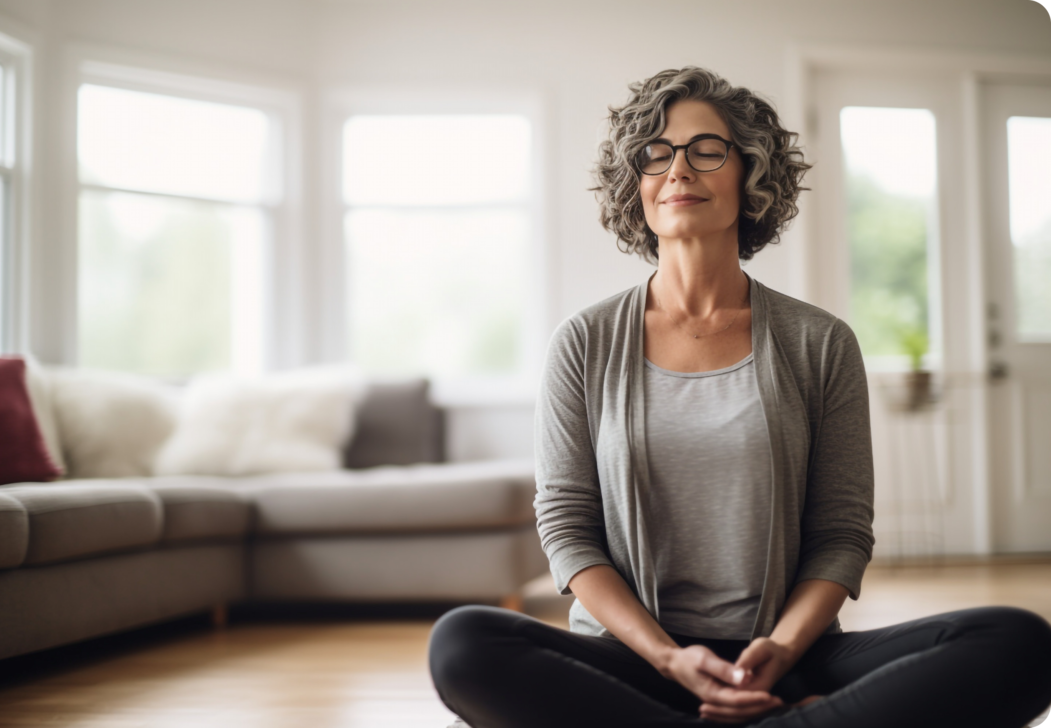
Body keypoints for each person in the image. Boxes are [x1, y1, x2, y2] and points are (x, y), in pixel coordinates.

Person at [427, 66, 1051, 728]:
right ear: (634, 184)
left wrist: (780, 649)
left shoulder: (821, 342)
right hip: (635, 660)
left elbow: (840, 535)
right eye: (655, 153)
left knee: (1019, 643)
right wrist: (670, 659)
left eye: (706, 149)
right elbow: (568, 531)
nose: (679, 169)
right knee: (463, 643)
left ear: (750, 174)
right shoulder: (583, 342)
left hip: (784, 656)